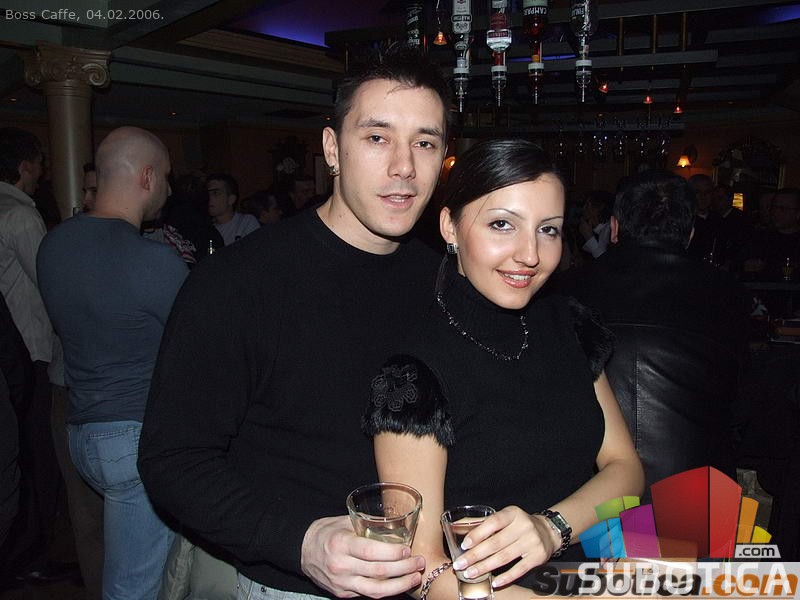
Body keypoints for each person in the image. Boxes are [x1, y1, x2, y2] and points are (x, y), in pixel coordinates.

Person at [138, 45, 451, 600]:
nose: (404, 166)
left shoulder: (446, 281)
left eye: (424, 143)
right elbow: (173, 460)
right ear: (332, 149)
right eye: (377, 138)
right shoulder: (240, 281)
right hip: (293, 585)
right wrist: (300, 541)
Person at [363, 140, 643, 599]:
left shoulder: (567, 324)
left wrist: (551, 528)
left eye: (548, 230)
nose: (530, 254)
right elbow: (422, 569)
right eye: (502, 225)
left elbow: (626, 469)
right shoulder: (414, 374)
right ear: (450, 226)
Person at [37, 126, 189, 600]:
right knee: (136, 588)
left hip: (81, 433)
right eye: (165, 176)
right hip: (133, 438)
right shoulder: (153, 260)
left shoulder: (53, 245)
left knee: (120, 568)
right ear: (146, 177)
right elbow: (202, 348)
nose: (168, 189)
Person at [556, 171, 751, 495]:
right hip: (699, 492)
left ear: (614, 228)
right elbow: (742, 405)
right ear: (690, 233)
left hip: (591, 495)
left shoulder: (565, 290)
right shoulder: (729, 294)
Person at [0, 127, 63, 579]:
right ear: (24, 167)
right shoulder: (20, 215)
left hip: (10, 350)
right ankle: (31, 556)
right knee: (36, 457)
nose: (42, 173)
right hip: (28, 350)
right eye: (39, 164)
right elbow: (50, 282)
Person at [207, 173, 260, 245]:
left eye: (215, 193)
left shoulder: (246, 222)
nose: (210, 198)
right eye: (208, 194)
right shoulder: (207, 229)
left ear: (231, 199)